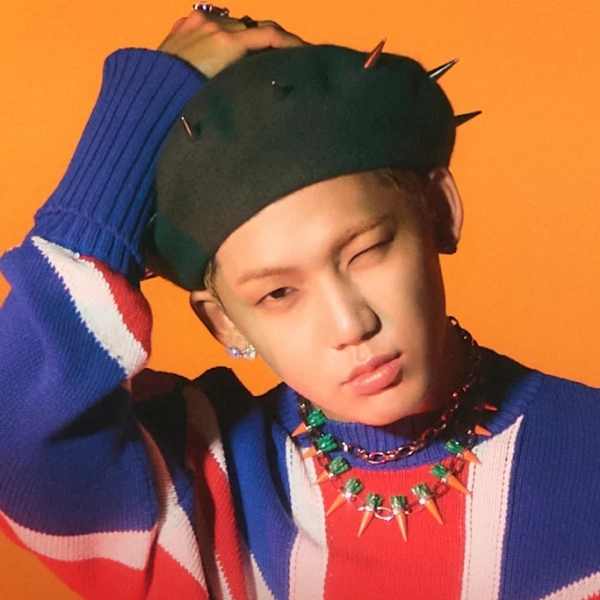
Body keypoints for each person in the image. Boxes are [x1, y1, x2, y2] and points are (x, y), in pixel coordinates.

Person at [1, 5, 599, 600]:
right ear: (223, 322)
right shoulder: (207, 488)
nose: (350, 324)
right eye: (279, 293)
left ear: (439, 211)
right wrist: (145, 100)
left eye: (367, 251)